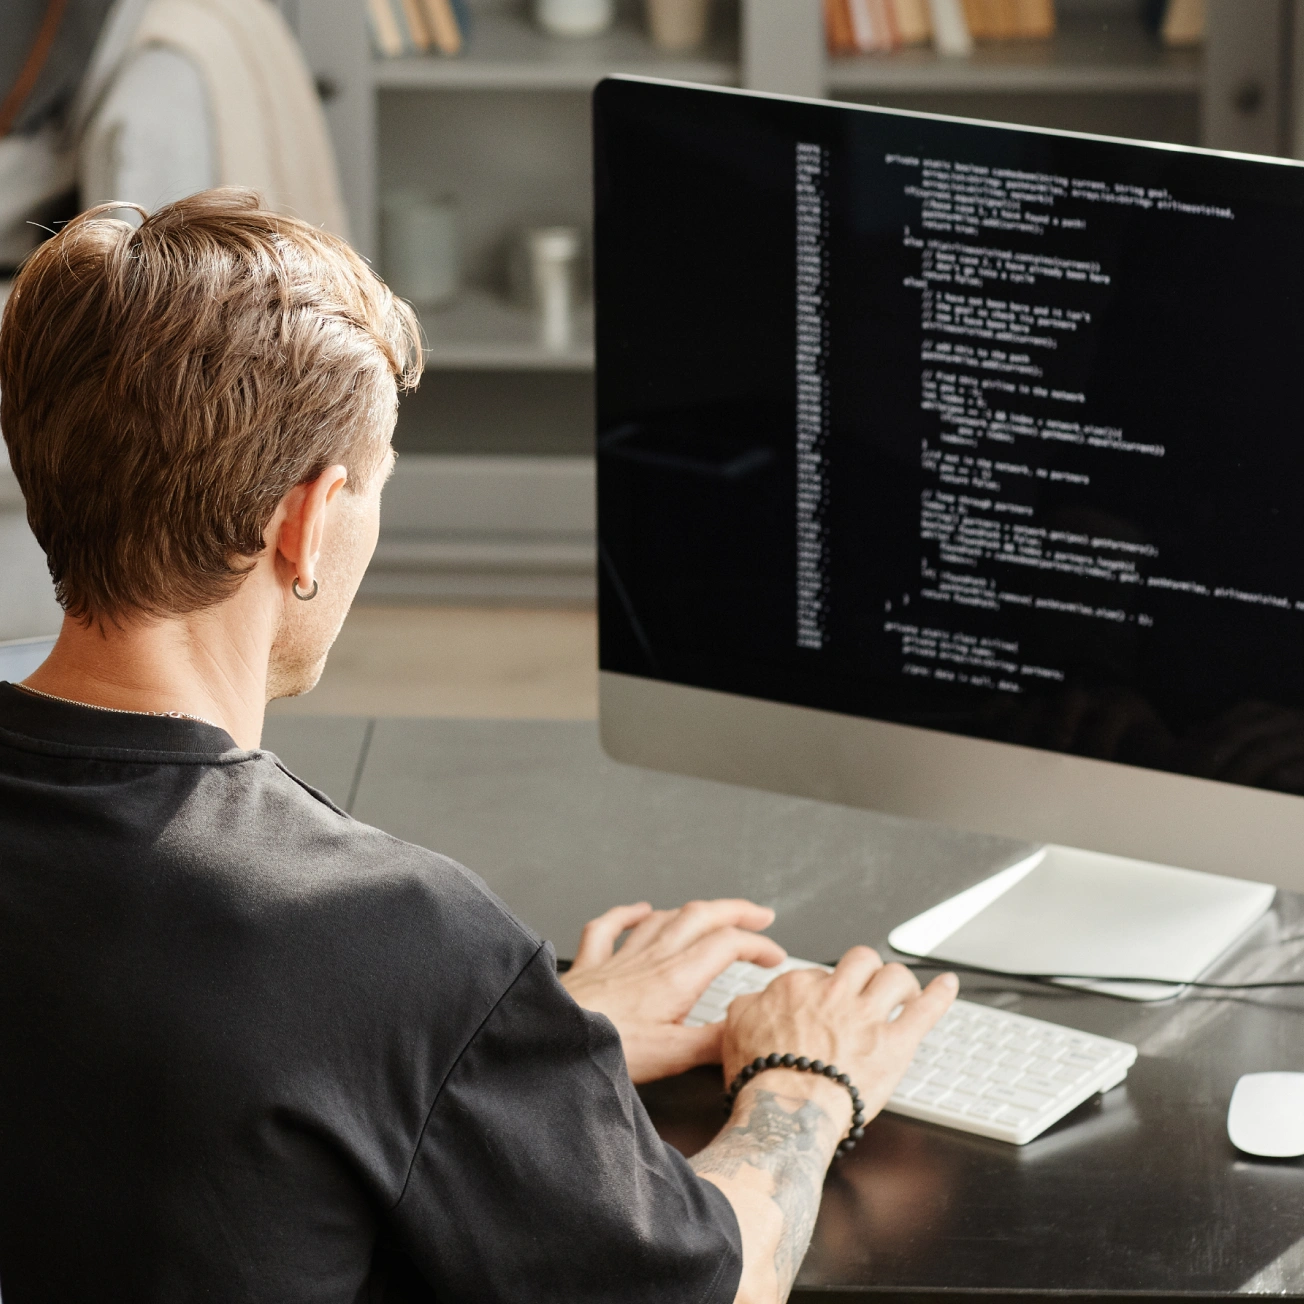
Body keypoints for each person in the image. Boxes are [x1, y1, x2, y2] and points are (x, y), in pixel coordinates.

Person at [0, 190, 957, 1304]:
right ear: (306, 521)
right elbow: (712, 1282)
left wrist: (495, 1044)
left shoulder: (385, 974)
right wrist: (803, 1081)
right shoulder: (381, 935)